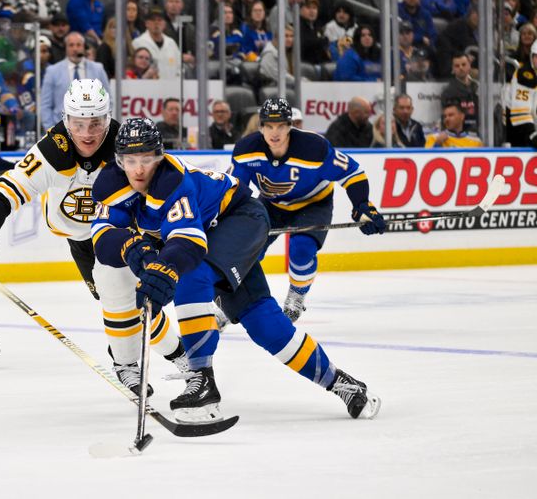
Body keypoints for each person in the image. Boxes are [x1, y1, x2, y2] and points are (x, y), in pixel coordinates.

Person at [90, 116, 382, 422]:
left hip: (241, 219)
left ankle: (202, 381)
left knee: (191, 275)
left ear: (160, 157)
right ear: (118, 160)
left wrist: (162, 267)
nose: (138, 169)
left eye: (147, 159)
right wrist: (134, 251)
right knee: (263, 323)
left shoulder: (172, 182)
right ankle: (343, 384)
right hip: (215, 233)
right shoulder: (111, 185)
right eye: (130, 160)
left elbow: (188, 243)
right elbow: (103, 236)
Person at [0, 79, 189, 396]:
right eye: (79, 124)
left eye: (96, 123)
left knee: (134, 297)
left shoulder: (125, 144)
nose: (88, 133)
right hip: (80, 241)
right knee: (117, 301)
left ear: (108, 118)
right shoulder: (52, 150)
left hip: (122, 233)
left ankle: (149, 361)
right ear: (66, 121)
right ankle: (141, 356)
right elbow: (5, 191)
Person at [231, 97, 386, 322]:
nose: (275, 133)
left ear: (290, 126)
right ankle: (234, 300)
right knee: (244, 250)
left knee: (302, 248)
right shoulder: (246, 150)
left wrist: (362, 205)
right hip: (272, 204)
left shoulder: (314, 148)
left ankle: (297, 295)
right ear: (261, 126)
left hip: (314, 203)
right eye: (269, 126)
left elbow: (353, 172)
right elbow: (234, 190)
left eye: (281, 126)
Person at [40, 32, 109, 131]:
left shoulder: (98, 69)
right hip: (61, 128)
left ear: (83, 47)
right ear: (66, 48)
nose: (75, 49)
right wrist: (51, 130)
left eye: (78, 45)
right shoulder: (52, 71)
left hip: (93, 128)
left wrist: (103, 124)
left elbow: (107, 98)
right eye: (71, 45)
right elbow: (45, 104)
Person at [132, 8, 182, 80]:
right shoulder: (138, 42)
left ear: (164, 24)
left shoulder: (171, 43)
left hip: (171, 87)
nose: (156, 23)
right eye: (153, 20)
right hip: (147, 87)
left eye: (159, 20)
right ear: (147, 23)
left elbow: (179, 67)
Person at [508, 41, 537, 147]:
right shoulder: (524, 76)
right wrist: (533, 135)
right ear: (531, 57)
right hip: (521, 133)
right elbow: (521, 115)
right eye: (536, 56)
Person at [441, 52, 479, 133]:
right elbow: (448, 118)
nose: (461, 68)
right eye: (457, 66)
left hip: (479, 130)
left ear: (469, 66)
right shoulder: (448, 92)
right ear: (453, 69)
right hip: (459, 135)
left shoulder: (477, 86)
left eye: (464, 64)